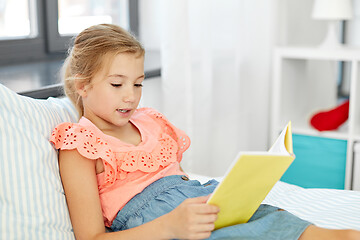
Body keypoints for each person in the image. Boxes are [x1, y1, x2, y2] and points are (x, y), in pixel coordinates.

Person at [50, 23, 360, 240]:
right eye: (117, 84)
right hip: (161, 227)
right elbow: (91, 236)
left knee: (286, 222)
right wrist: (169, 227)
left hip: (200, 203)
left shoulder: (151, 122)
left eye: (138, 83)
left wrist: (242, 196)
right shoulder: (80, 143)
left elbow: (181, 182)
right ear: (83, 86)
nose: (130, 95)